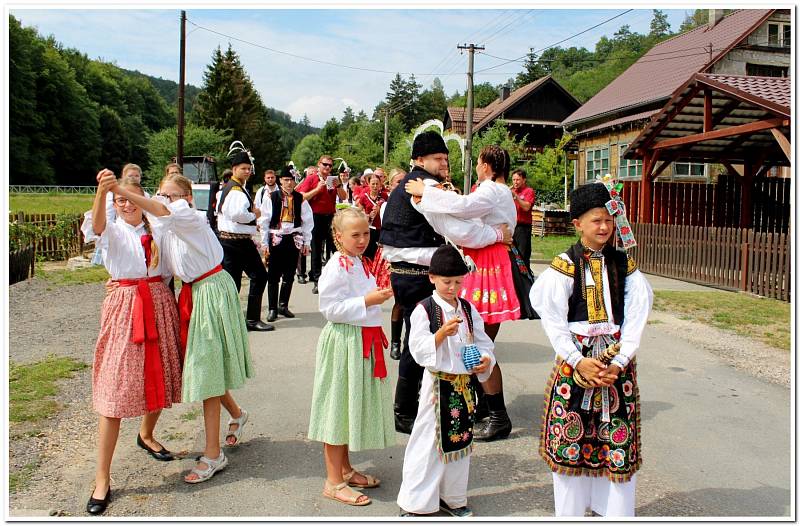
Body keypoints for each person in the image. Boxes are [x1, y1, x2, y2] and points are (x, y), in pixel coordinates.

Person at [110, 172, 255, 485]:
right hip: (193, 293)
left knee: (207, 370)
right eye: (163, 194)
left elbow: (161, 213)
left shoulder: (189, 215)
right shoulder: (164, 223)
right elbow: (146, 257)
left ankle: (213, 453)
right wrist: (119, 282)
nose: (166, 201)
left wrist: (121, 190)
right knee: (204, 366)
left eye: (173, 195)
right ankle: (237, 415)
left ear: (188, 198)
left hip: (210, 292)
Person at [530, 180, 652, 517]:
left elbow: (638, 313)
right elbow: (552, 316)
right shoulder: (564, 264)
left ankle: (613, 513)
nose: (604, 227)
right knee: (570, 439)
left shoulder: (624, 265)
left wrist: (622, 359)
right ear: (577, 224)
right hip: (576, 363)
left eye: (608, 220)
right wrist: (576, 360)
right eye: (596, 220)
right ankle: (570, 514)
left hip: (616, 365)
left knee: (616, 439)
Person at [405, 145, 539, 441]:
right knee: (473, 339)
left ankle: (497, 415)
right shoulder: (496, 191)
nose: (476, 168)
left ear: (487, 165)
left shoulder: (492, 189)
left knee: (477, 343)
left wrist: (425, 194)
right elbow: (462, 210)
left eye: (478, 163)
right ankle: (485, 409)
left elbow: (463, 207)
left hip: (488, 261)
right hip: (486, 259)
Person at [380, 131, 509, 434]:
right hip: (416, 274)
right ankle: (405, 412)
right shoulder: (424, 186)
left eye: (445, 159)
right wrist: (497, 235)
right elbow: (459, 226)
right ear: (420, 160)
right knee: (424, 340)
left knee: (451, 336)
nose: (443, 164)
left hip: (413, 271)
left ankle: (462, 403)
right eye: (438, 159)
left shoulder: (422, 184)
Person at [81, 171, 183, 515]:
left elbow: (171, 259)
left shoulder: (158, 227)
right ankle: (102, 478)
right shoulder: (112, 229)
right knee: (115, 387)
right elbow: (96, 227)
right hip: (125, 303)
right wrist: (102, 193)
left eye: (130, 197)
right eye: (119, 200)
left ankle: (146, 434)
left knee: (162, 373)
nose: (125, 204)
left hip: (158, 299)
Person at [396, 244, 495, 517]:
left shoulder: (467, 308)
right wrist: (439, 335)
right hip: (437, 385)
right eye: (446, 282)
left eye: (458, 282)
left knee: (460, 443)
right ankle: (415, 503)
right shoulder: (425, 310)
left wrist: (486, 359)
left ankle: (452, 499)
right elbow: (417, 349)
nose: (453, 288)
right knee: (428, 443)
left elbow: (484, 342)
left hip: (462, 386)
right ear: (432, 278)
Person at [307, 207, 395, 507]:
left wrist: (377, 295)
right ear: (338, 237)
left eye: (366, 233)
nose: (362, 240)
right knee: (337, 408)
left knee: (347, 407)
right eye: (354, 235)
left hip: (361, 341)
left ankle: (344, 469)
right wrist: (368, 300)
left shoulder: (358, 262)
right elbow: (330, 308)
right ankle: (333, 481)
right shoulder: (337, 266)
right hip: (345, 341)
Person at [217, 150, 274, 331]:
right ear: (234, 169)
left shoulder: (232, 187)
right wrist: (254, 214)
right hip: (237, 243)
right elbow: (236, 214)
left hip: (233, 242)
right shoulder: (236, 190)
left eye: (249, 168)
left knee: (236, 282)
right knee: (255, 276)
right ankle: (248, 320)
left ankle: (236, 320)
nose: (247, 172)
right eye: (243, 168)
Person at [260, 166, 313, 322]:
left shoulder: (300, 198)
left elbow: (308, 221)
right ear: (280, 180)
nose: (289, 183)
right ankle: (272, 308)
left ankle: (283, 305)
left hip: (294, 238)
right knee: (273, 275)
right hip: (276, 237)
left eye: (291, 180)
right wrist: (264, 243)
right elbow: (264, 221)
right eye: (286, 180)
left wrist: (307, 241)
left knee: (289, 274)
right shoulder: (271, 196)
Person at [296, 155, 347, 294]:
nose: (327, 168)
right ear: (319, 164)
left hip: (330, 217)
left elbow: (344, 197)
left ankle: (335, 278)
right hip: (315, 217)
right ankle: (317, 280)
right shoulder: (311, 178)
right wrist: (317, 190)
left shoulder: (332, 179)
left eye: (330, 166)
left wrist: (339, 185)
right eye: (325, 164)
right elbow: (300, 197)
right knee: (316, 250)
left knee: (335, 248)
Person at [376, 168, 406, 360]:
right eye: (397, 182)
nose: (402, 185)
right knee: (400, 301)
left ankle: (410, 342)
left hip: (414, 255)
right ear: (390, 185)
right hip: (396, 253)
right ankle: (395, 342)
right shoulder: (387, 205)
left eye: (405, 181)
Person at [355, 171, 388, 260]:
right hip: (369, 228)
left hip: (381, 228)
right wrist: (366, 215)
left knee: (380, 254)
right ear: (368, 184)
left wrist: (380, 210)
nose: (375, 186)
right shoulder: (364, 197)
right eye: (373, 184)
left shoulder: (384, 196)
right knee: (368, 253)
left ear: (380, 184)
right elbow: (358, 212)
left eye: (377, 184)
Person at [296, 165, 317, 284]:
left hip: (317, 217)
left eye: (315, 174)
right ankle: (301, 273)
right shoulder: (302, 185)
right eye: (311, 174)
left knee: (315, 248)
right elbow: (302, 197)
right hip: (304, 218)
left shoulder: (321, 183)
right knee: (302, 245)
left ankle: (314, 273)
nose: (313, 176)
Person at [511, 168, 535, 266]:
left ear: (524, 180)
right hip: (512, 227)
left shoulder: (529, 191)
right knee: (512, 255)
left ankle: (525, 279)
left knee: (522, 255)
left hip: (523, 228)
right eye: (513, 180)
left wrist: (516, 197)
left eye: (518, 180)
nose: (515, 182)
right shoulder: (511, 190)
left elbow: (526, 207)